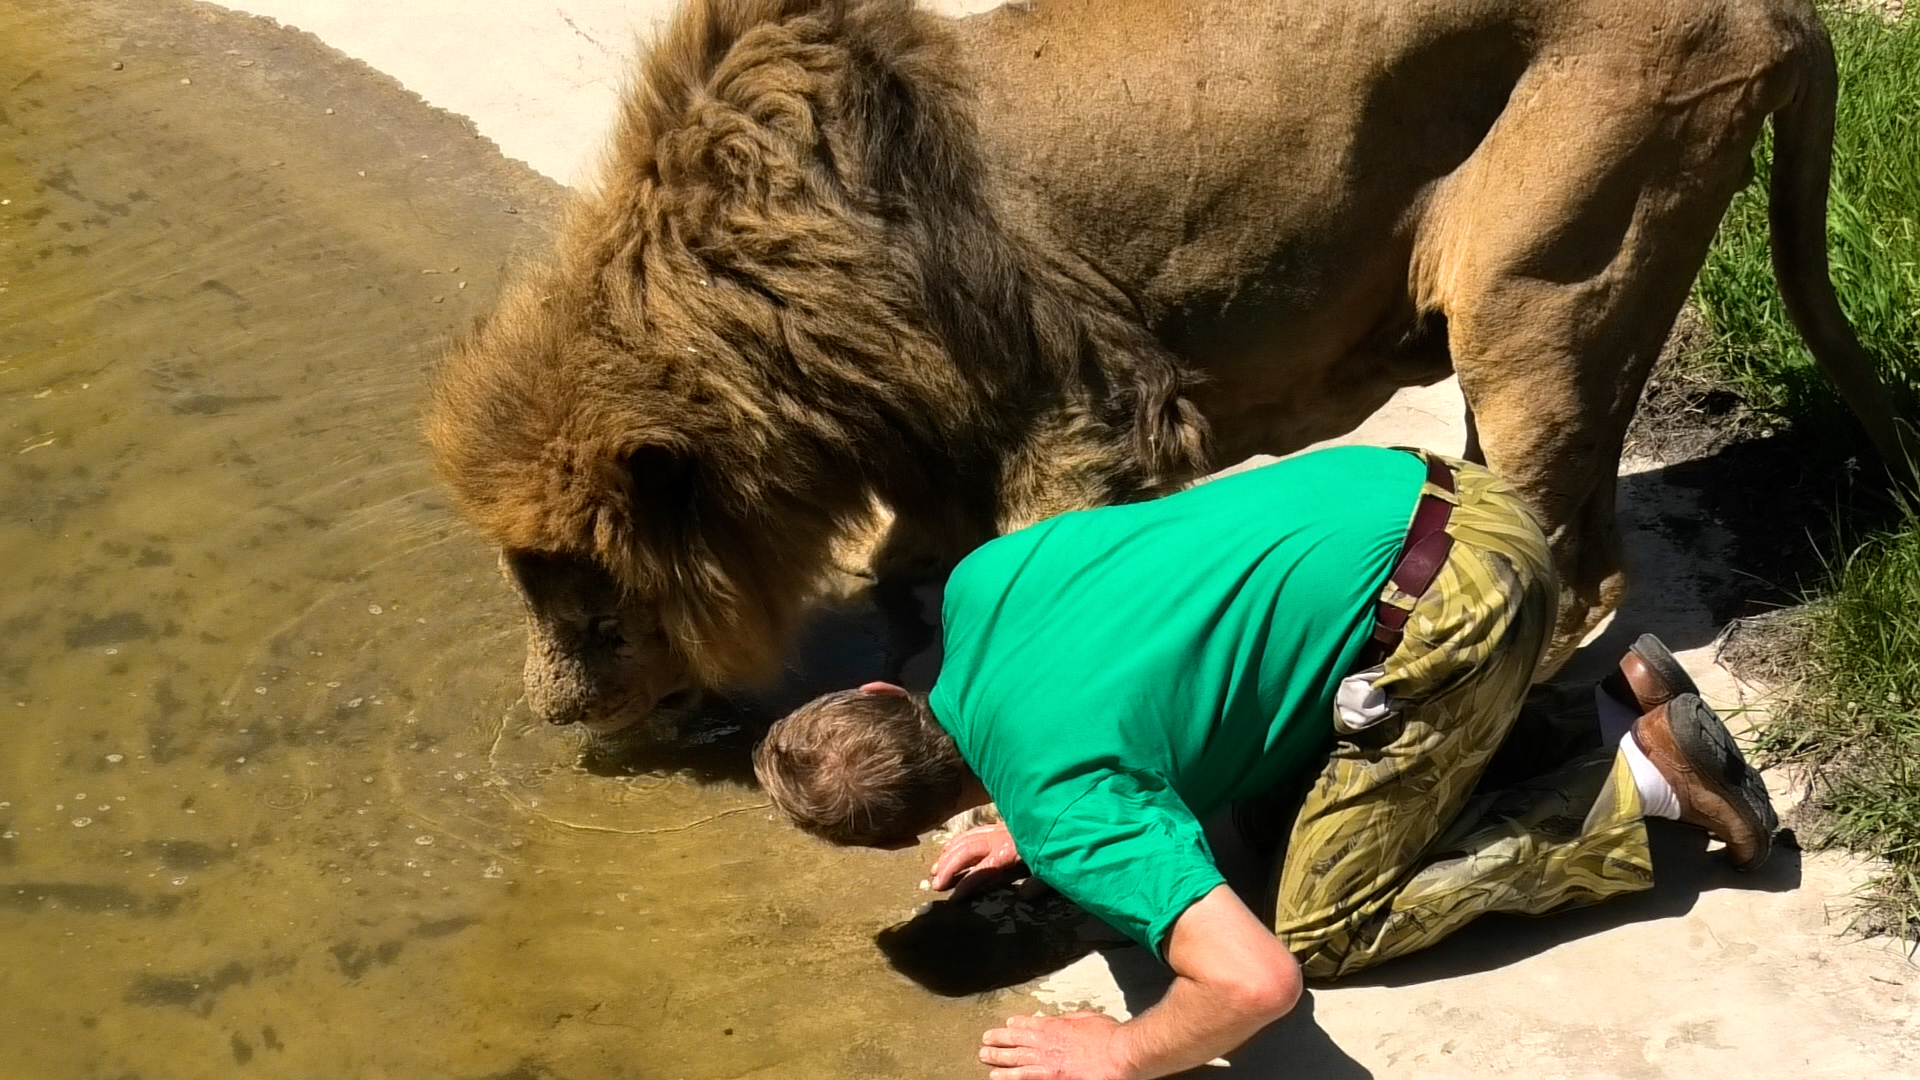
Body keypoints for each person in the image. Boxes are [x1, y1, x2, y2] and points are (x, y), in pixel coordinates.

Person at [753, 445, 1778, 1080]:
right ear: (887, 692)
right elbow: (1146, 661)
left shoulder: (1072, 808)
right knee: (1266, 809)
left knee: (1322, 921)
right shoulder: (983, 582)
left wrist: (1118, 1052)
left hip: (1473, 599)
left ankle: (1645, 784)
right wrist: (1022, 803)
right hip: (1433, 491)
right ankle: (1608, 708)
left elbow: (1256, 986)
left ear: (901, 831)